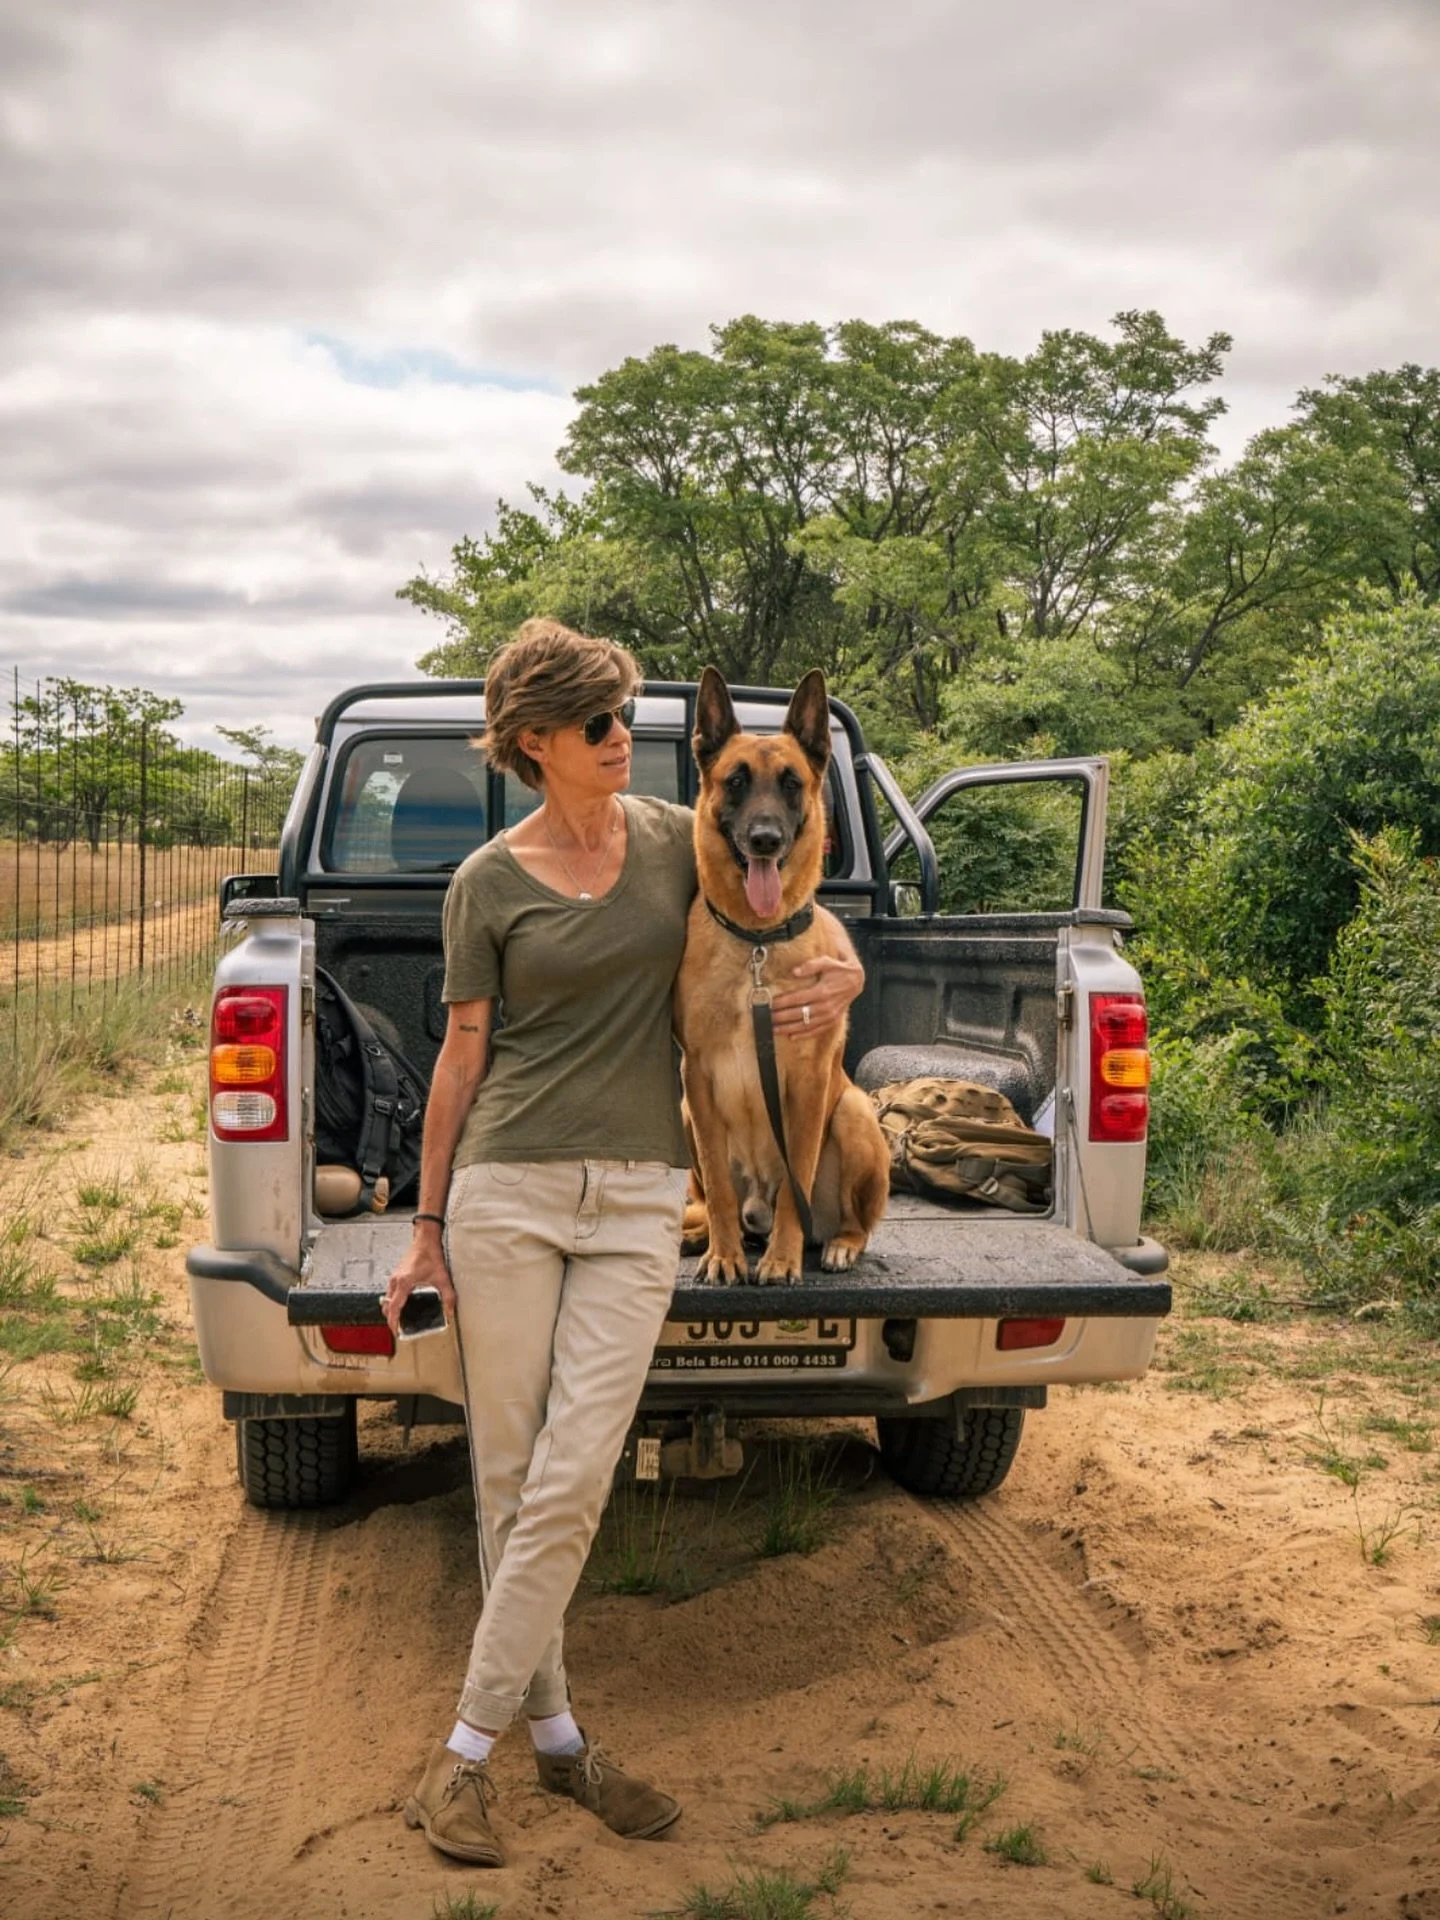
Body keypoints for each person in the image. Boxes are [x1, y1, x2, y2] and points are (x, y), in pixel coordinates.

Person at [382, 619, 864, 1867]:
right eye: (594, 724)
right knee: (507, 1477)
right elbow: (463, 1056)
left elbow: (794, 906)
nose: (619, 740)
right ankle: (558, 1741)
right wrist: (424, 1230)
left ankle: (462, 1757)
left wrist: (850, 973)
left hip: (646, 1200)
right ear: (532, 742)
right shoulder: (486, 881)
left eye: (625, 719)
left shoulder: (676, 838)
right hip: (507, 1194)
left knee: (579, 1468)